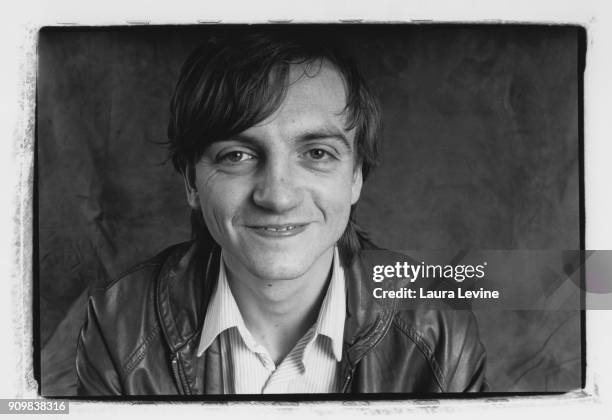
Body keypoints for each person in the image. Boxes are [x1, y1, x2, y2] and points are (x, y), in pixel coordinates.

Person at [75, 30, 487, 395]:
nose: (277, 197)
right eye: (236, 155)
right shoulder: (119, 329)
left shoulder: (441, 328)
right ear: (191, 182)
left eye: (317, 153)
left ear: (356, 176)